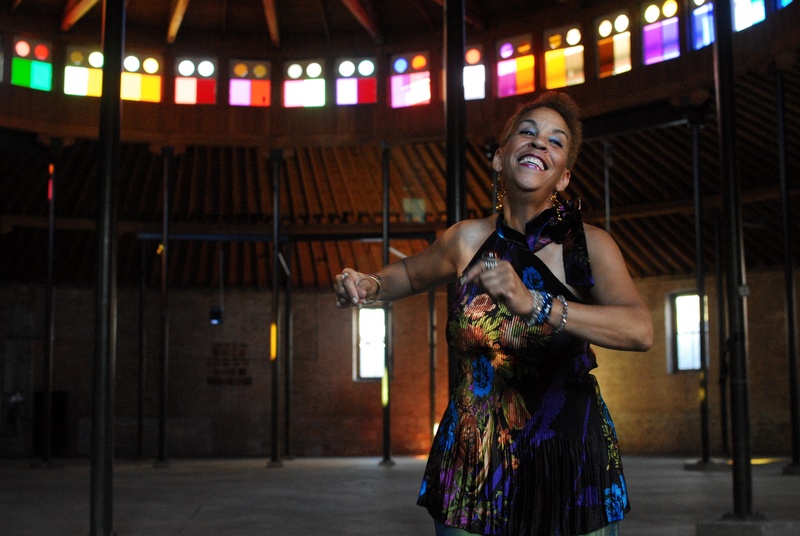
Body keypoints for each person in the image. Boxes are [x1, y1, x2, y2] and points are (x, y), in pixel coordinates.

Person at [333, 91, 653, 536]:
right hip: (473, 460)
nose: (539, 144)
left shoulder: (589, 246)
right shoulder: (464, 240)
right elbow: (407, 273)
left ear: (563, 177)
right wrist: (370, 283)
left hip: (568, 458)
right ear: (500, 159)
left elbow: (639, 330)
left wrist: (536, 304)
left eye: (555, 142)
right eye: (528, 133)